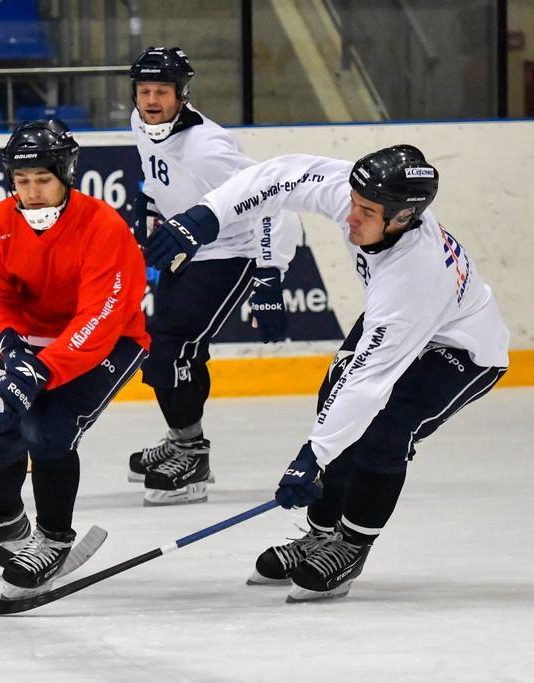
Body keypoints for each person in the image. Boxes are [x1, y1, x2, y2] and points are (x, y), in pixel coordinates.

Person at [145, 144, 510, 601]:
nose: (350, 216)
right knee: (330, 400)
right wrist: (206, 216)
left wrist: (311, 459)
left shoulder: (412, 279)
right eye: (353, 203)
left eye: (367, 212)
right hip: (403, 324)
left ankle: (353, 543)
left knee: (385, 431)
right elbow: (280, 177)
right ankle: (320, 532)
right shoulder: (362, 198)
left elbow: (368, 383)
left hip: (461, 349)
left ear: (400, 219)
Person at [0, 119, 150, 596]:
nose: (31, 192)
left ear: (65, 175)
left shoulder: (103, 228)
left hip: (109, 341)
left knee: (48, 430)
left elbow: (100, 316)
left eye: (42, 180)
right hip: (32, 345)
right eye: (21, 180)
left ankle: (53, 539)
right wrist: (11, 348)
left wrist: (42, 368)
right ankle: (5, 519)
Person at [127, 46, 301, 506]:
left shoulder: (209, 147)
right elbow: (155, 175)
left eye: (161, 91)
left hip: (235, 247)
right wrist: (151, 212)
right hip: (188, 245)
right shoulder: (139, 121)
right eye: (144, 90)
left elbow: (270, 199)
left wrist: (268, 277)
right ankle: (182, 437)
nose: (150, 100)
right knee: (167, 344)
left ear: (182, 94)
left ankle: (192, 454)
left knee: (172, 348)